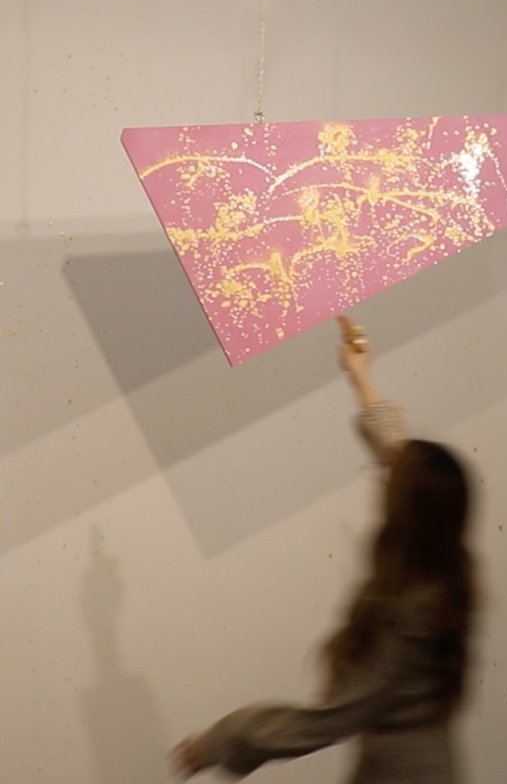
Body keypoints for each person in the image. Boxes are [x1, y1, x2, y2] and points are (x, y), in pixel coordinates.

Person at [172, 315, 478, 783]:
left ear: (406, 511)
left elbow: (328, 721)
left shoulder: (410, 616)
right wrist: (360, 375)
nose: (382, 482)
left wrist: (225, 738)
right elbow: (397, 456)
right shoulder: (444, 568)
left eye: (391, 484)